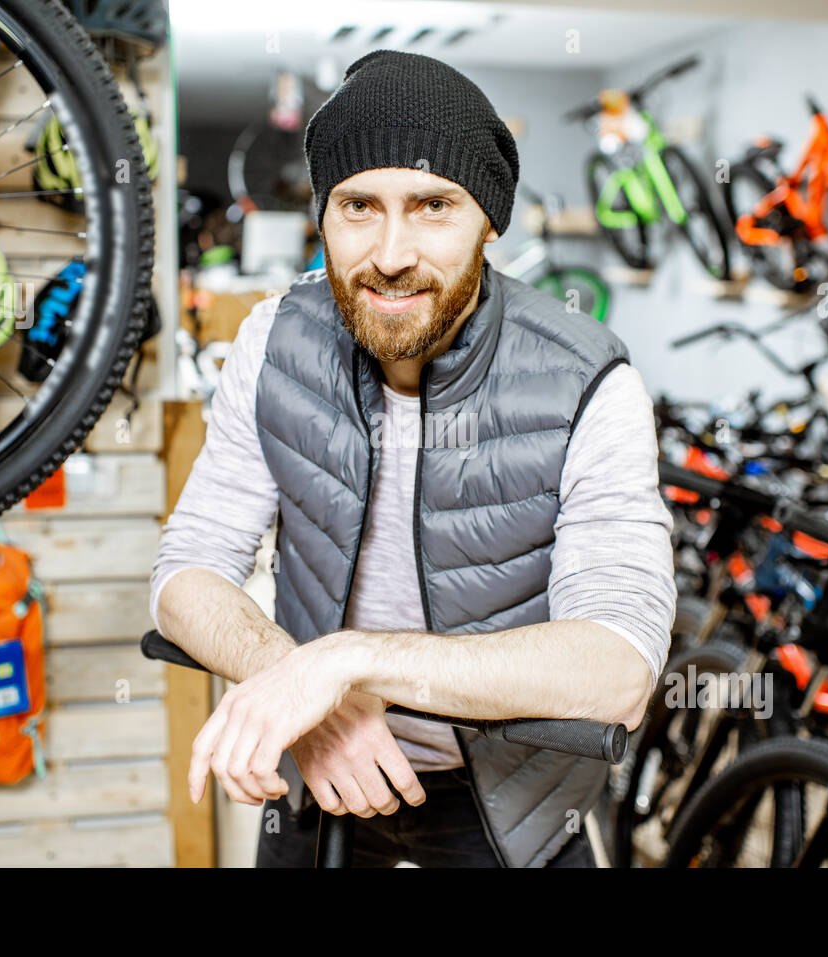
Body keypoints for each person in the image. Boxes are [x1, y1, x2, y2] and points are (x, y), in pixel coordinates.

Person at [150, 49, 676, 868]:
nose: (391, 252)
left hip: (511, 805)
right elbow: (186, 571)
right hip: (316, 779)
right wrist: (308, 697)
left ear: (489, 219)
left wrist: (347, 660)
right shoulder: (272, 340)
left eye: (433, 205)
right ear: (322, 213)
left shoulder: (589, 380)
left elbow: (618, 666)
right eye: (358, 205)